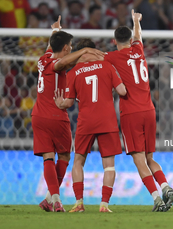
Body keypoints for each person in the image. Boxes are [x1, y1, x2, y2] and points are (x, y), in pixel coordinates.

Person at [84, 10, 173, 212]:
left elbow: (94, 56)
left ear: (114, 40)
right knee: (150, 158)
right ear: (130, 39)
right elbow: (139, 36)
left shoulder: (113, 57)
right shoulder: (139, 50)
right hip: (149, 110)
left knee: (138, 159)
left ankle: (157, 199)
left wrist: (82, 53)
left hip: (131, 112)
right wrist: (136, 21)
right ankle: (166, 186)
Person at [32, 16, 104, 212]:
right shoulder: (56, 64)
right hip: (56, 115)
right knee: (63, 156)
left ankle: (50, 198)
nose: (72, 48)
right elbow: (62, 62)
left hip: (38, 115)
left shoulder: (43, 59)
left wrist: (55, 30)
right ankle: (56, 199)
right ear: (65, 48)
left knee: (48, 157)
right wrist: (85, 50)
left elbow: (52, 48)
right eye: (70, 46)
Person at [54, 38, 126, 213]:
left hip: (86, 122)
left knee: (78, 162)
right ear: (94, 51)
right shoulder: (108, 66)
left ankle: (79, 203)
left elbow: (69, 103)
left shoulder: (73, 72)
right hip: (107, 121)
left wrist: (59, 103)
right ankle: (104, 205)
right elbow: (123, 91)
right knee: (109, 165)